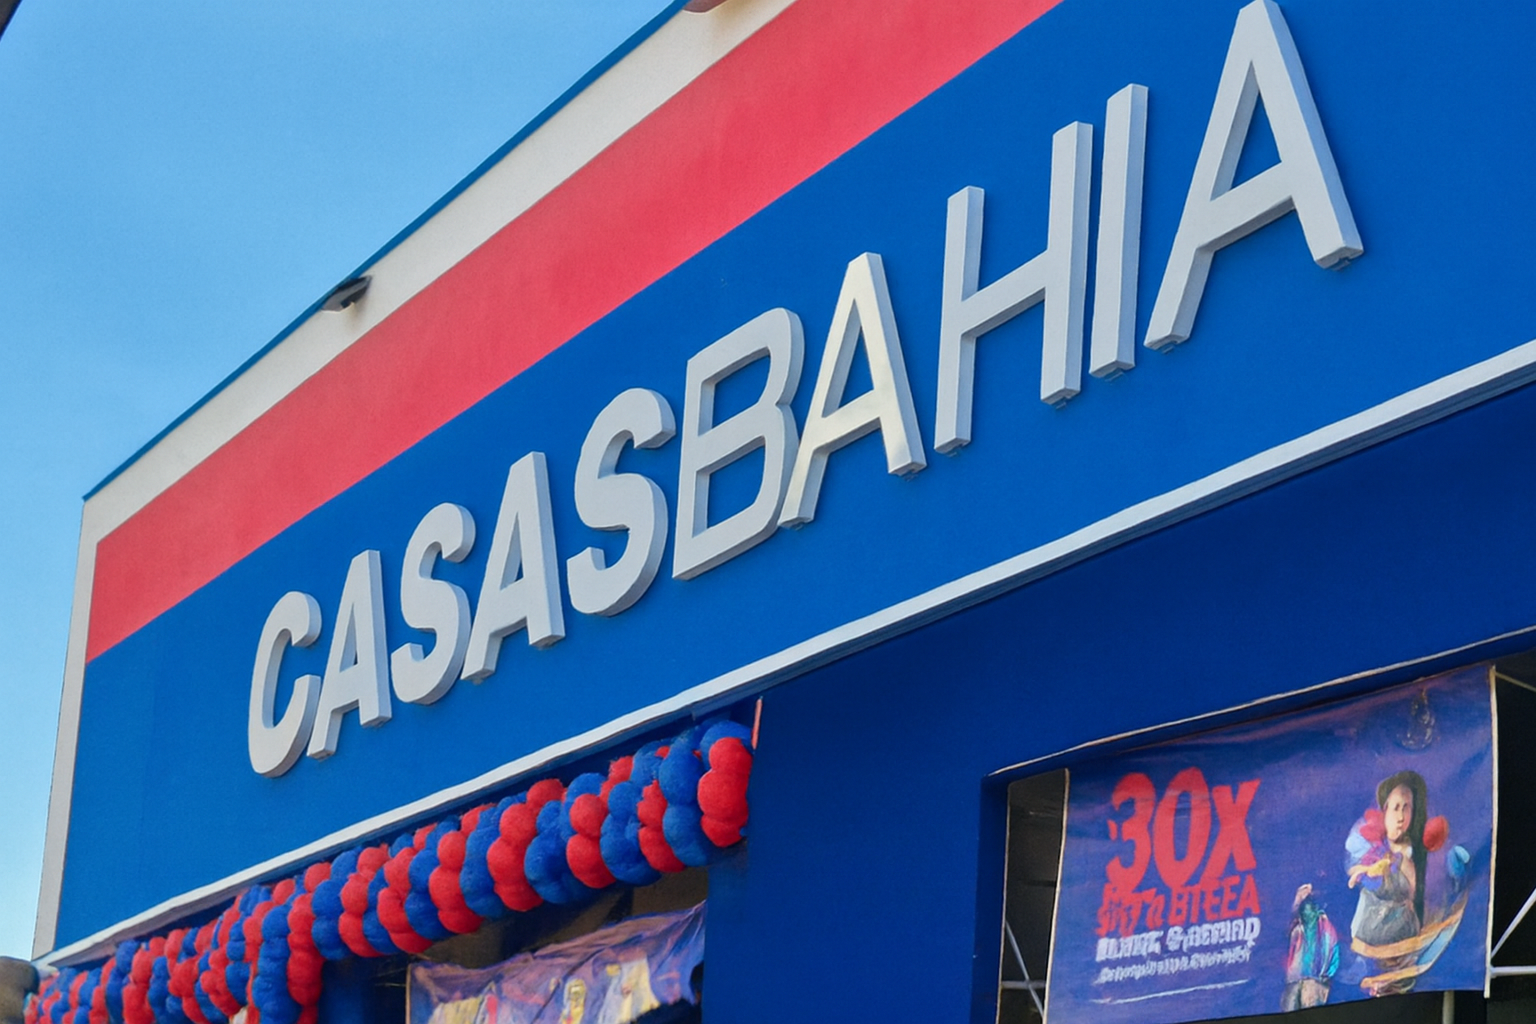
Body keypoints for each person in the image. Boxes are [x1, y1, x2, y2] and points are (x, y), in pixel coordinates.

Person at [1345, 770, 1428, 996]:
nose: (1401, 816)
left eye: (1406, 807)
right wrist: (1371, 869)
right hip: (1369, 945)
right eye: (1395, 807)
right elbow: (1356, 873)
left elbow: (1412, 896)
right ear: (1384, 811)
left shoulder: (1413, 855)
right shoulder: (1368, 847)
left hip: (1403, 949)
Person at [1281, 885, 1338, 1011]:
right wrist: (1297, 902)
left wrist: (1322, 978)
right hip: (1294, 980)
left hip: (1316, 981)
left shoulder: (1326, 929)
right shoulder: (1297, 928)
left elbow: (1331, 955)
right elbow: (1284, 936)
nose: (1307, 914)